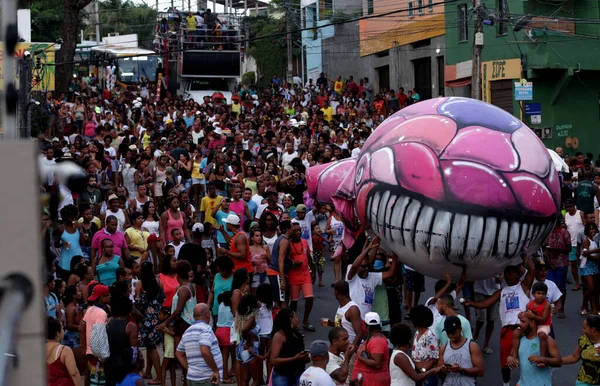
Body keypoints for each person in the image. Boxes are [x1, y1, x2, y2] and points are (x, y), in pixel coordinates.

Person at [466, 254, 535, 386]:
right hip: (507, 332)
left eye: (510, 272)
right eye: (506, 273)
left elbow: (532, 269)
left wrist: (519, 259)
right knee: (505, 363)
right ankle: (506, 384)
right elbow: (486, 303)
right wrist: (473, 303)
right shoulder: (501, 291)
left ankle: (526, 382)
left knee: (527, 360)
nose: (507, 275)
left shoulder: (524, 287)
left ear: (517, 274)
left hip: (524, 330)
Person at [346, 237, 397, 318]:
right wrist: (368, 248)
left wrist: (395, 258)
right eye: (363, 267)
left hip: (367, 320)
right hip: (353, 318)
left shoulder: (372, 276)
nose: (366, 269)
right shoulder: (352, 276)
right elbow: (355, 265)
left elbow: (391, 273)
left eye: (367, 267)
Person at [506, 312, 562, 386]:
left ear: (532, 323)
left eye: (523, 322)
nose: (520, 324)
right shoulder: (520, 339)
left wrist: (543, 359)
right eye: (520, 321)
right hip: (522, 383)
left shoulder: (547, 340)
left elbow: (559, 362)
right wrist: (509, 358)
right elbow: (511, 355)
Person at [176, 303, 224, 386]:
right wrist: (215, 370)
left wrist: (190, 369)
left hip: (192, 378)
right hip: (206, 378)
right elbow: (204, 351)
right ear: (207, 315)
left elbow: (178, 353)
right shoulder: (205, 329)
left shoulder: (188, 331)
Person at [134, 261, 165, 384]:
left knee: (151, 347)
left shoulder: (140, 284)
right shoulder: (158, 282)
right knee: (150, 346)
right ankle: (148, 371)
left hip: (146, 318)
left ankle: (159, 376)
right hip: (157, 317)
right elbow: (162, 298)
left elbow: (137, 302)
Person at [437, 316, 484, 385]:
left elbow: (480, 371)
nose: (450, 335)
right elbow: (440, 374)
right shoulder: (443, 348)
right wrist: (443, 371)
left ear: (460, 329)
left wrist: (461, 370)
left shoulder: (472, 346)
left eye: (452, 332)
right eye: (448, 332)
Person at [79, 284, 111, 386]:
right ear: (102, 298)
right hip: (98, 354)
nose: (109, 297)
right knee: (98, 382)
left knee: (90, 378)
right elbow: (99, 335)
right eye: (107, 295)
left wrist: (84, 348)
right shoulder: (102, 313)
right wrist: (102, 356)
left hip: (89, 352)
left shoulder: (89, 309)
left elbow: (81, 328)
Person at [288, 222, 317, 331]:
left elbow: (308, 257)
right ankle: (294, 322)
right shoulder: (288, 244)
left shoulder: (304, 242)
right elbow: (285, 260)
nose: (298, 232)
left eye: (299, 230)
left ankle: (305, 320)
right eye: (296, 230)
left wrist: (313, 270)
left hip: (305, 275)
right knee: (294, 302)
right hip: (293, 276)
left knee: (309, 298)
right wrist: (293, 263)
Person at [270, 308, 309, 386]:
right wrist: (294, 358)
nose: (297, 320)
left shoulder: (297, 333)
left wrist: (305, 357)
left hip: (298, 373)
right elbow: (273, 360)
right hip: (282, 376)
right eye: (296, 317)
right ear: (290, 318)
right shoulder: (279, 336)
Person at [105, 296, 138, 386]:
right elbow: (134, 351)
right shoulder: (131, 326)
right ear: (129, 311)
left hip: (109, 363)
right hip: (124, 366)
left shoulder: (108, 322)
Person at [351, 312, 390, 386]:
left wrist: (360, 357)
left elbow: (377, 364)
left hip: (373, 382)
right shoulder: (373, 338)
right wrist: (358, 349)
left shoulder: (377, 341)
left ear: (365, 325)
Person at [561, 314, 600, 386]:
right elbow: (574, 357)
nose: (583, 330)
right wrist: (558, 361)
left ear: (593, 329)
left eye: (585, 328)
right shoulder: (584, 339)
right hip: (583, 381)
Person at [408, 305, 439, 386]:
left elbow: (435, 357)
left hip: (427, 374)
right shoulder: (417, 333)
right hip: (417, 371)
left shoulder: (429, 335)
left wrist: (423, 370)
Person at [329, 280, 364, 348]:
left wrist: (351, 350)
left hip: (351, 350)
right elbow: (342, 325)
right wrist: (330, 323)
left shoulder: (352, 309)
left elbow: (360, 333)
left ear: (336, 292)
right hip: (342, 349)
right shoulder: (341, 307)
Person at [47, 317, 81, 386]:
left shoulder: (40, 350)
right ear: (57, 333)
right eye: (62, 328)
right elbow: (74, 373)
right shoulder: (65, 350)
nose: (63, 330)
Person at [579, 222, 600, 315]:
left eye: (594, 229)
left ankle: (594, 308)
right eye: (591, 229)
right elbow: (586, 254)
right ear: (587, 230)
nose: (593, 231)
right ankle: (584, 305)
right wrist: (597, 252)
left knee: (594, 289)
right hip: (587, 266)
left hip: (594, 266)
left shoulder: (593, 240)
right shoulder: (586, 240)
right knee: (590, 288)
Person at [565, 199, 585, 291]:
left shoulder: (580, 213)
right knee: (573, 264)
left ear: (574, 206)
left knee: (583, 263)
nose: (569, 208)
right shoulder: (565, 215)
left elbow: (586, 225)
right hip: (571, 244)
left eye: (570, 206)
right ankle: (577, 283)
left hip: (582, 243)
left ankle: (585, 281)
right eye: (567, 207)